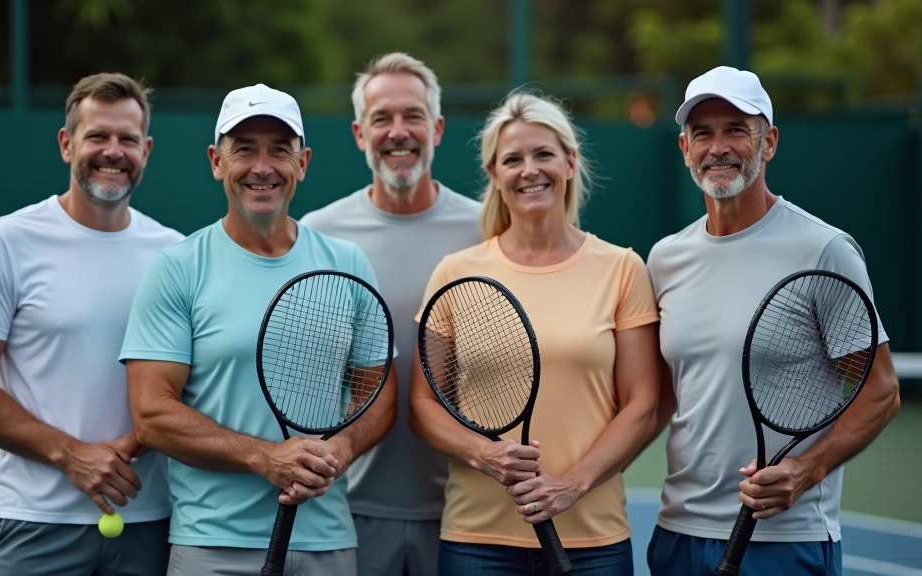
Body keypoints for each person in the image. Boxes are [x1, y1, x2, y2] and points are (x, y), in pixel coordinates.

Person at [119, 83, 397, 576]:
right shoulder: (177, 268)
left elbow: (378, 392)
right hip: (212, 546)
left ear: (303, 163)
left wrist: (342, 447)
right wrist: (265, 457)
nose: (262, 166)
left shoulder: (348, 263)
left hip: (327, 542)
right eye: (244, 149)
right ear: (216, 161)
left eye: (279, 150)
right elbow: (152, 414)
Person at [644, 66, 901, 576]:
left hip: (786, 541)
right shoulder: (663, 259)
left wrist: (807, 470)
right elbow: (663, 395)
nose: (718, 147)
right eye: (703, 134)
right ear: (685, 149)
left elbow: (881, 391)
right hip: (678, 535)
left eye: (736, 130)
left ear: (769, 143)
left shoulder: (825, 249)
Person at [407, 91, 661, 575]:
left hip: (593, 542)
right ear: (495, 176)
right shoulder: (454, 273)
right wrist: (485, 454)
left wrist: (571, 485)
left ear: (569, 162)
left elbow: (643, 405)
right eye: (513, 159)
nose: (530, 170)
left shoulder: (622, 269)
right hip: (476, 541)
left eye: (543, 154)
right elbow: (423, 406)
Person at [0, 72, 181, 576]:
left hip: (150, 526)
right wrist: (72, 455)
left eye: (127, 139)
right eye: (97, 136)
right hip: (33, 525)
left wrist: (128, 448)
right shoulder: (7, 241)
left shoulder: (175, 254)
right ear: (66, 143)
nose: (112, 151)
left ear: (147, 149)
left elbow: (183, 385)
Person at [300, 52, 482, 576]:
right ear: (360, 133)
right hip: (347, 511)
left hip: (465, 512)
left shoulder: (488, 228)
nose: (398, 132)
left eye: (413, 116)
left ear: (438, 128)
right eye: (382, 118)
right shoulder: (319, 233)